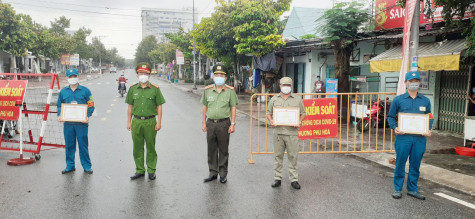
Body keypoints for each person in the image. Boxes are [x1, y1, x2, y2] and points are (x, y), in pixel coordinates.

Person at [387, 71, 432, 200]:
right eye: (411, 81)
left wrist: (428, 129)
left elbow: (430, 117)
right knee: (400, 163)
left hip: (419, 138)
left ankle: (412, 189)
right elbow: (390, 117)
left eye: (416, 81)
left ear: (419, 83)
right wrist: (395, 127)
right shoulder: (398, 100)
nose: (413, 84)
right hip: (403, 138)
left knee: (415, 164)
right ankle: (398, 189)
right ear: (405, 83)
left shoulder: (425, 100)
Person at [126, 62, 165, 180]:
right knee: (137, 147)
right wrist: (129, 121)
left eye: (145, 73)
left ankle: (151, 170)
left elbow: (159, 106)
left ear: (149, 75)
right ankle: (139, 170)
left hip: (150, 122)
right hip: (136, 121)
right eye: (140, 73)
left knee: (151, 147)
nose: (143, 75)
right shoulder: (133, 89)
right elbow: (130, 106)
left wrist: (159, 122)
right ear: (137, 75)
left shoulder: (155, 89)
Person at [266, 77, 306, 190]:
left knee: (293, 156)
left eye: (288, 85)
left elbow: (303, 113)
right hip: (278, 132)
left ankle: (294, 180)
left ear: (291, 86)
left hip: (292, 133)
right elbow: (268, 113)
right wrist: (271, 120)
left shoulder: (297, 100)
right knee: (278, 156)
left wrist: (299, 121)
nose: (286, 87)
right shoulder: (274, 99)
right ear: (280, 86)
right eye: (284, 85)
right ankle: (277, 178)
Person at [201, 64, 238, 184]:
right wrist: (204, 123)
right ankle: (212, 172)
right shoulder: (207, 91)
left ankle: (223, 174)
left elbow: (233, 108)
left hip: (224, 123)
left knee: (223, 149)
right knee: (211, 149)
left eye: (221, 75)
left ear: (225, 77)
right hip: (210, 123)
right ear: (213, 76)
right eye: (216, 75)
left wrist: (232, 124)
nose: (219, 77)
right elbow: (204, 107)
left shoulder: (230, 91)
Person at [57, 68, 95, 174]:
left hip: (81, 124)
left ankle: (87, 166)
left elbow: (91, 105)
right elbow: (59, 105)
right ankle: (70, 166)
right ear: (67, 78)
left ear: (78, 77)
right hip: (68, 124)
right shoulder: (63, 92)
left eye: (74, 76)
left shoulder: (85, 90)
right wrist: (60, 115)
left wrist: (87, 116)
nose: (72, 79)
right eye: (70, 77)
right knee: (69, 145)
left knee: (83, 145)